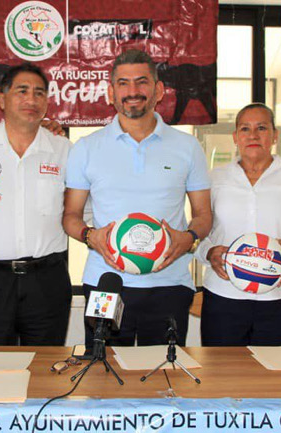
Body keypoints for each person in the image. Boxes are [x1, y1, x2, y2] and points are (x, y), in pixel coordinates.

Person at [63, 49, 212, 348]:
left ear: (158, 90)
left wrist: (190, 237)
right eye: (123, 83)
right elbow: (70, 216)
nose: (133, 92)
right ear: (110, 92)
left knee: (163, 378)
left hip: (169, 284)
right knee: (101, 376)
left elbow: (203, 215)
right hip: (105, 284)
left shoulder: (187, 146)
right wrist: (91, 236)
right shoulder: (86, 148)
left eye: (142, 82)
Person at [0, 63, 72, 346]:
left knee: (44, 371)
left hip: (47, 281)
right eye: (22, 91)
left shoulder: (63, 150)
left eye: (39, 93)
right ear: (2, 100)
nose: (31, 100)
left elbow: (80, 210)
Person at [195, 103, 281, 346]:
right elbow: (199, 233)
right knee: (222, 377)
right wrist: (209, 252)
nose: (253, 135)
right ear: (235, 137)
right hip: (223, 297)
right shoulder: (213, 179)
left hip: (280, 299)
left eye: (261, 128)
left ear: (274, 135)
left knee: (277, 380)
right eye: (245, 128)